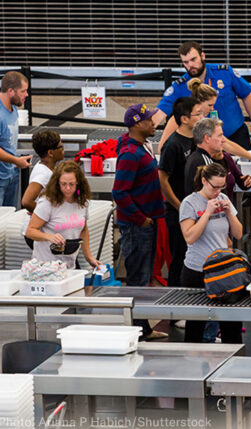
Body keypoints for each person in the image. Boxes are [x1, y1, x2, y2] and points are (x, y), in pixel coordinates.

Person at [112, 103, 167, 340]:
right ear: (137, 124)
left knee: (143, 278)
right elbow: (119, 192)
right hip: (137, 227)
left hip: (145, 222)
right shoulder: (130, 154)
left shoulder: (141, 147)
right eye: (148, 120)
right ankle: (137, 331)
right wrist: (139, 218)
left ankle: (143, 328)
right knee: (138, 279)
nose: (154, 123)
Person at [152, 40, 251, 150]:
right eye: (186, 62)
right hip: (205, 143)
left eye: (193, 59)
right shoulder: (180, 87)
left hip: (236, 136)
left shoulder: (224, 73)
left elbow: (246, 95)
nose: (190, 65)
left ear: (202, 56)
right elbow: (160, 112)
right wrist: (145, 131)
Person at [179, 163, 244, 344]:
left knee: (231, 325)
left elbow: (238, 234)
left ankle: (233, 356)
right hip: (198, 271)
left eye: (221, 187)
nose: (217, 192)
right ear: (203, 181)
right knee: (196, 324)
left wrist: (229, 213)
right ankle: (192, 358)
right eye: (214, 187)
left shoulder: (223, 198)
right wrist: (207, 213)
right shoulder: (189, 203)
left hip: (223, 271)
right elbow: (189, 237)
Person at [157, 78, 251, 165]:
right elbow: (162, 148)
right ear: (198, 101)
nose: (212, 108)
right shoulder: (180, 119)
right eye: (210, 105)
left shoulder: (203, 122)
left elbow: (225, 143)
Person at [158, 97, 204, 288]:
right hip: (178, 212)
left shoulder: (197, 140)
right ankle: (175, 299)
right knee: (179, 259)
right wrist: (180, 206)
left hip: (197, 210)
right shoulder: (173, 145)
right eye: (198, 114)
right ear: (184, 119)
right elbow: (163, 180)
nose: (202, 117)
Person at [26, 161, 102, 270]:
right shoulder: (47, 202)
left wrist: (89, 257)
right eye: (63, 184)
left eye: (72, 184)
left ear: (78, 183)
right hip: (46, 267)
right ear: (57, 184)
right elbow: (30, 231)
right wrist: (49, 236)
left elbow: (83, 230)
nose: (68, 188)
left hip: (69, 265)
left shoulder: (81, 202)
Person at [184, 118, 251, 200]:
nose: (223, 140)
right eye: (220, 136)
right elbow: (209, 200)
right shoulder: (202, 162)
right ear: (207, 138)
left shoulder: (198, 158)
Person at [21, 130, 64, 249]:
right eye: (60, 147)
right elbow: (26, 201)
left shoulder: (47, 168)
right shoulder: (44, 174)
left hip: (46, 231)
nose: (63, 149)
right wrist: (43, 214)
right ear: (51, 153)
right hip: (40, 232)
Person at [0, 71, 32, 206]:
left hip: (11, 173)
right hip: (1, 177)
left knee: (10, 215)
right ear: (10, 91)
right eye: (23, 91)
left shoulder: (13, 108)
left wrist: (15, 162)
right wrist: (15, 160)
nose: (27, 95)